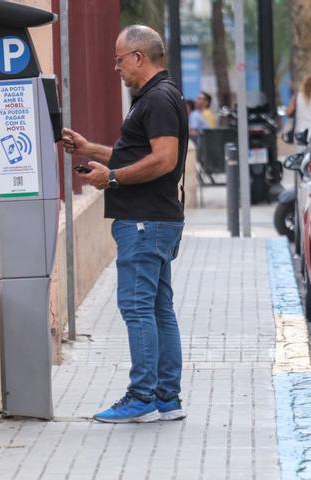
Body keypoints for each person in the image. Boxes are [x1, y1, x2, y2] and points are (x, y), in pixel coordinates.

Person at [61, 25, 189, 424]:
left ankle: (143, 395)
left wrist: (112, 179)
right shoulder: (154, 98)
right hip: (153, 220)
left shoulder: (159, 100)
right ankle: (166, 398)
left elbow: (164, 159)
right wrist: (91, 149)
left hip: (144, 223)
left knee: (137, 307)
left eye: (119, 59)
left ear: (139, 57)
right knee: (157, 308)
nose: (115, 67)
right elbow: (135, 152)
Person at [286, 75, 311, 143]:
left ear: (304, 85)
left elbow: (288, 112)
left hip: (299, 133)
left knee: (300, 153)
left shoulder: (297, 97)